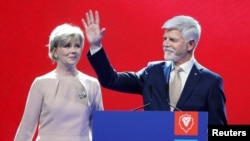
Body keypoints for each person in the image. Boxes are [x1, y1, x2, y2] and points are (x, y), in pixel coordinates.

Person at [81, 10, 227, 125]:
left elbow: (218, 129)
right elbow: (111, 80)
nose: (166, 44)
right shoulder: (153, 71)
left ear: (191, 44)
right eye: (165, 38)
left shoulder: (210, 81)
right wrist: (96, 46)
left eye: (173, 40)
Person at [14, 23, 104, 141]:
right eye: (67, 46)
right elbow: (26, 130)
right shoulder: (41, 84)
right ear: (55, 51)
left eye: (77, 46)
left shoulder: (92, 84)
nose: (73, 50)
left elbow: (100, 130)